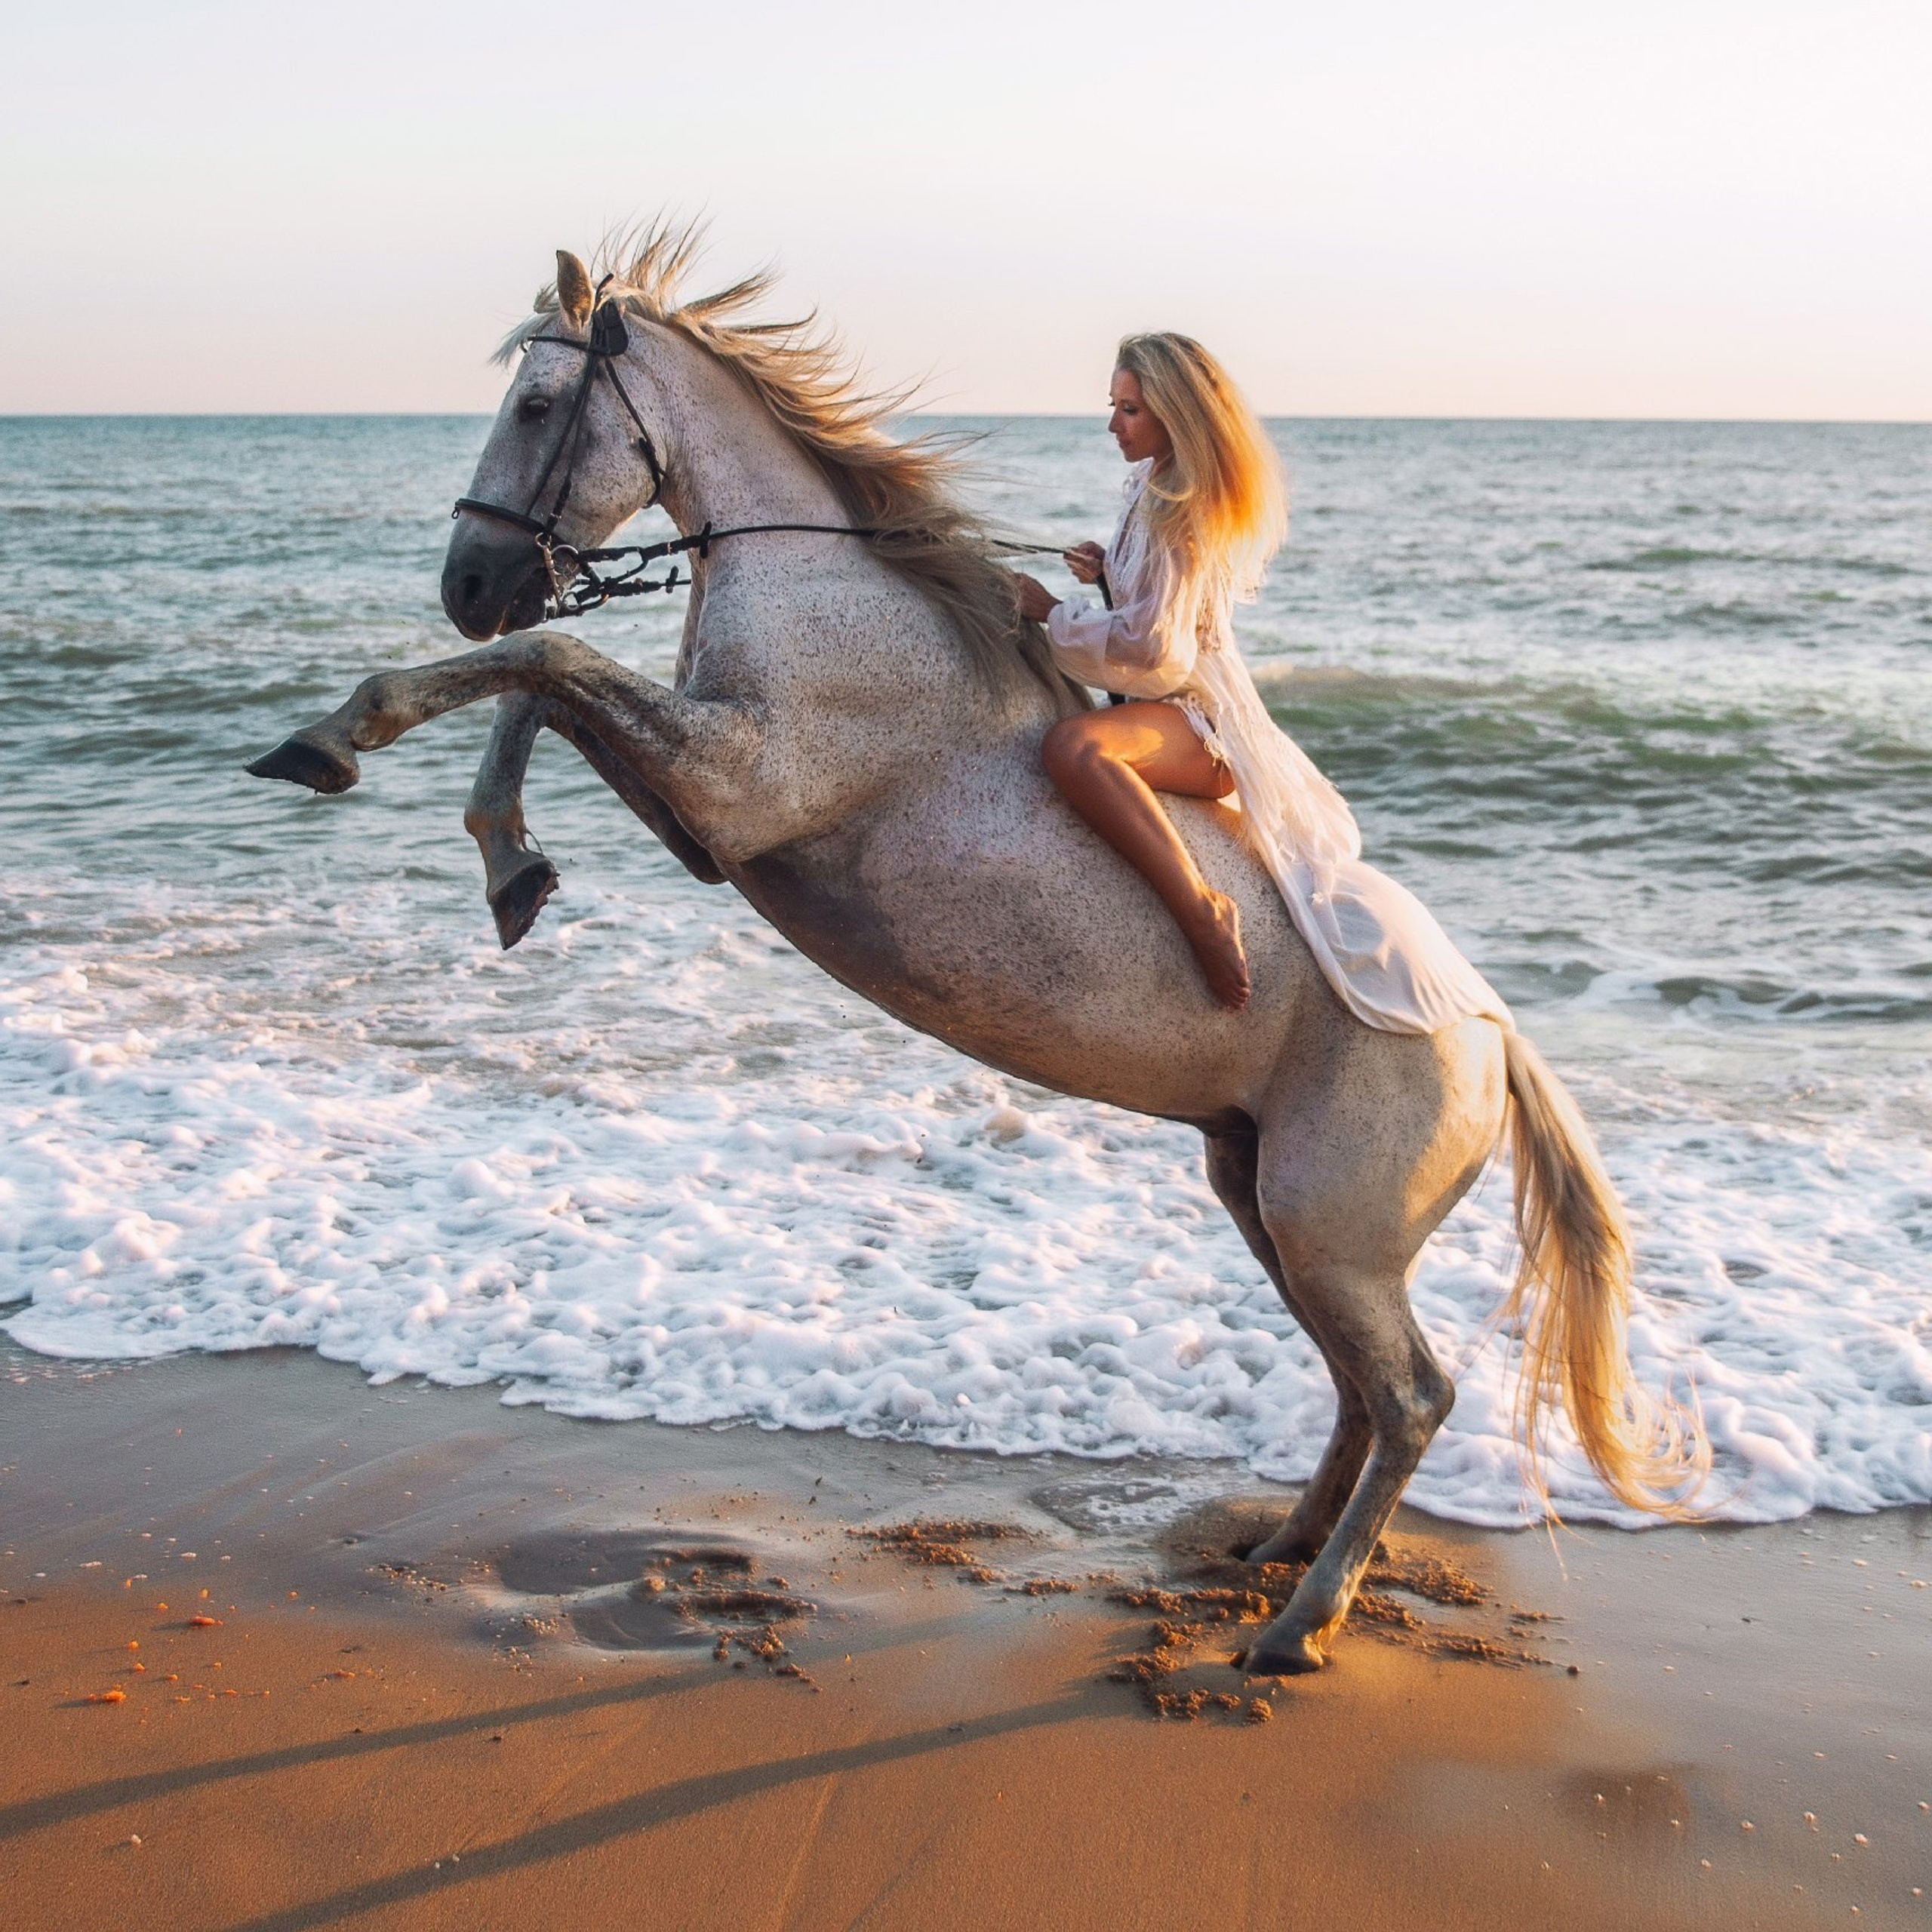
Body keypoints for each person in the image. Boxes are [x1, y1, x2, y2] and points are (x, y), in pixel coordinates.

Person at [1014, 333, 1509, 1032]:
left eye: (1129, 409)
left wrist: (1051, 612)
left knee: (1077, 749)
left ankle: (1202, 911)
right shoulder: (1150, 488)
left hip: (1200, 719)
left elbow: (1158, 650)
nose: (1112, 424)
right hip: (1171, 701)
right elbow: (1157, 609)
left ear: (1174, 415)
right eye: (1113, 405)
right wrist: (1104, 575)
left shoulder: (1176, 505)